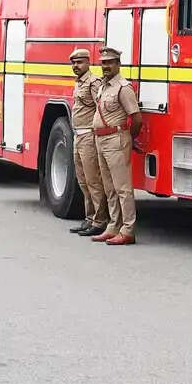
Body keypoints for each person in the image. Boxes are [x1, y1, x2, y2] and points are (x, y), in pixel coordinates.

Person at [84, 44, 144, 245]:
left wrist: (128, 138)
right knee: (109, 187)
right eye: (103, 63)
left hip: (116, 139)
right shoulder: (103, 86)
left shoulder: (123, 88)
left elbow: (136, 118)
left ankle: (128, 229)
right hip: (101, 139)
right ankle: (113, 226)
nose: (106, 66)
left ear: (118, 64)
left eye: (110, 62)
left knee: (123, 188)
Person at [65, 48, 108, 234]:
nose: (76, 66)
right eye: (73, 63)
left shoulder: (93, 82)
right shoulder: (79, 82)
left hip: (89, 136)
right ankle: (89, 218)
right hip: (78, 135)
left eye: (79, 62)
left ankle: (99, 221)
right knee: (82, 180)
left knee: (93, 181)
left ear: (88, 63)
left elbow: (101, 108)